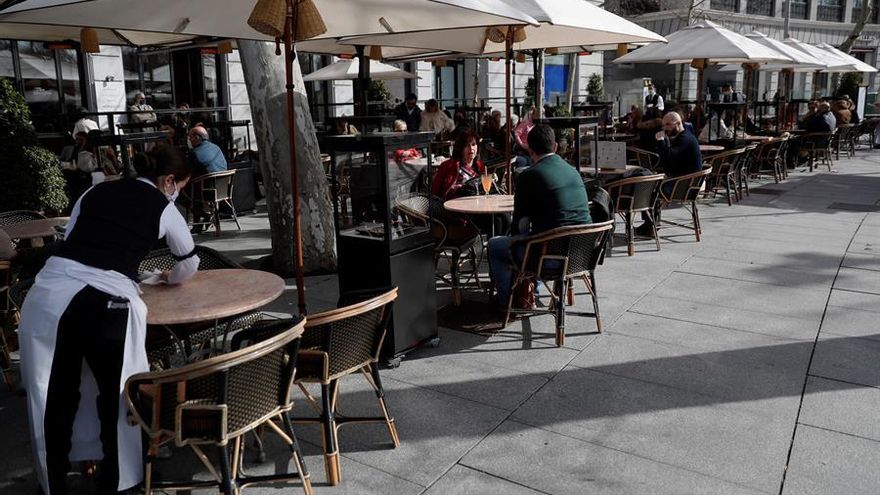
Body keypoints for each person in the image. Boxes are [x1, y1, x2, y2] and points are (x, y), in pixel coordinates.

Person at [18, 146, 199, 495]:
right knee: (117, 396)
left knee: (54, 395)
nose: (179, 194)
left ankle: (52, 481)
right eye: (182, 187)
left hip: (51, 296)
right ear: (169, 181)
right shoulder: (164, 206)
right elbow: (188, 263)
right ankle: (117, 481)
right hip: (108, 303)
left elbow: (70, 240)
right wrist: (167, 278)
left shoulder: (94, 190)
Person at [487, 124, 591, 308]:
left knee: (496, 245)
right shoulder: (573, 172)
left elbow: (520, 226)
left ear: (529, 149)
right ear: (556, 146)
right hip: (583, 253)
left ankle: (508, 303)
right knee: (537, 237)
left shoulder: (530, 175)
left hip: (551, 257)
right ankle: (530, 292)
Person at [635, 111, 702, 236]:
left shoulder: (685, 138)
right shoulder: (685, 136)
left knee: (647, 188)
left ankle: (649, 226)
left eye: (668, 125)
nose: (665, 128)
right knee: (651, 183)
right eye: (664, 125)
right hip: (685, 183)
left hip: (683, 187)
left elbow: (668, 157)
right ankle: (650, 223)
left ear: (678, 124)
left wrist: (661, 141)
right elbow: (670, 161)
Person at [432, 130, 486, 200]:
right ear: (460, 148)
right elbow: (435, 192)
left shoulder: (480, 166)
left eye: (473, 144)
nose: (471, 148)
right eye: (467, 145)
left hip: (477, 204)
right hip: (452, 206)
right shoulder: (447, 166)